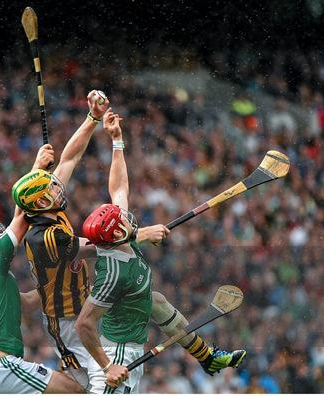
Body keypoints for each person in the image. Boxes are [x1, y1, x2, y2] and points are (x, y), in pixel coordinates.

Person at [75, 108, 247, 393]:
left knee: (155, 300)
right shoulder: (116, 273)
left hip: (127, 347)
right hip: (118, 354)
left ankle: (207, 358)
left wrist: (117, 141)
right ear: (118, 233)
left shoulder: (117, 241)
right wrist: (107, 366)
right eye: (124, 222)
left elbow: (119, 190)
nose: (127, 216)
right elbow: (84, 324)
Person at [11, 91, 169, 388]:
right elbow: (97, 245)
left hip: (85, 306)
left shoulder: (49, 208)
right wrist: (139, 234)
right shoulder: (44, 236)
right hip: (67, 321)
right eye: (50, 190)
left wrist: (92, 119)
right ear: (39, 204)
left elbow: (70, 157)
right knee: (94, 384)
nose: (58, 188)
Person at [0, 145, 84, 394]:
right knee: (75, 390)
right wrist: (37, 168)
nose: (0, 234)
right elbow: (24, 215)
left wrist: (61, 282)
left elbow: (24, 302)